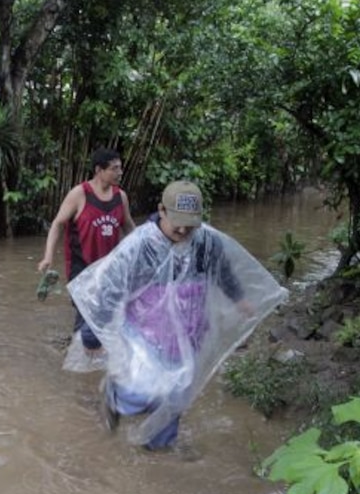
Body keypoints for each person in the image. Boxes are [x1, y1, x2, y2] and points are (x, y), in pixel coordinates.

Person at [65, 181, 287, 450]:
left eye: (190, 225)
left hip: (189, 332)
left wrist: (239, 299)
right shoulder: (139, 245)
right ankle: (114, 395)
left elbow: (223, 271)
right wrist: (91, 337)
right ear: (162, 211)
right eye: (177, 223)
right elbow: (109, 290)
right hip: (145, 332)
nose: (183, 230)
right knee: (142, 389)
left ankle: (158, 446)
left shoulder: (206, 242)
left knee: (177, 392)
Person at [37, 147, 136, 352]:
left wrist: (147, 251)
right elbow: (57, 224)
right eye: (114, 168)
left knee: (100, 315)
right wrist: (48, 257)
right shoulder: (80, 194)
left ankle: (75, 352)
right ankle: (78, 360)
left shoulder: (121, 197)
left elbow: (128, 226)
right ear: (99, 170)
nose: (120, 173)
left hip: (109, 270)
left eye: (120, 168)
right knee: (88, 313)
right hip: (80, 268)